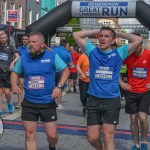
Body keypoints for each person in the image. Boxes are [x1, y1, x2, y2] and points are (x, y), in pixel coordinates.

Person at [72, 27, 142, 150]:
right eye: (101, 36)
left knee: (108, 136)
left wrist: (117, 32)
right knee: (92, 137)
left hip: (111, 100)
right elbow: (76, 35)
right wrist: (95, 31)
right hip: (93, 99)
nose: (103, 38)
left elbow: (138, 39)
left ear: (113, 40)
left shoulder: (119, 52)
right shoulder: (92, 51)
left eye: (107, 36)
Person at [11, 32, 70, 150]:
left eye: (34, 42)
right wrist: (13, 84)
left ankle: (52, 145)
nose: (30, 44)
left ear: (42, 44)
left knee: (52, 136)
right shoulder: (24, 58)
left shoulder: (52, 56)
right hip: (29, 102)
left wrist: (59, 87)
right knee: (29, 134)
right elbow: (15, 72)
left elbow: (66, 71)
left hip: (47, 102)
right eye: (29, 42)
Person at [120, 33, 150, 150]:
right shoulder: (128, 56)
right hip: (131, 91)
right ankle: (136, 144)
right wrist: (121, 83)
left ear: (140, 44)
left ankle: (144, 141)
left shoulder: (148, 55)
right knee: (133, 119)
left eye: (135, 45)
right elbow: (115, 68)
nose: (132, 48)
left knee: (143, 118)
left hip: (145, 91)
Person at [0, 31, 19, 115]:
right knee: (0, 92)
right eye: (1, 38)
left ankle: (9, 103)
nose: (3, 39)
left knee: (7, 92)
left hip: (8, 72)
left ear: (7, 38)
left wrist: (12, 62)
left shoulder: (11, 47)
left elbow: (18, 56)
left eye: (4, 38)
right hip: (0, 71)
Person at [52, 39, 73, 109]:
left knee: (51, 87)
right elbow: (71, 64)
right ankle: (58, 104)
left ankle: (51, 102)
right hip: (61, 72)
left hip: (52, 71)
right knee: (59, 87)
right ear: (65, 45)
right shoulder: (67, 52)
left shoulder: (53, 50)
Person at [15, 34, 29, 109]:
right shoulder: (19, 48)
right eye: (23, 39)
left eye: (26, 39)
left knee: (29, 86)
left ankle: (28, 101)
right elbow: (17, 58)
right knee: (20, 85)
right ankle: (19, 103)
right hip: (21, 69)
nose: (24, 41)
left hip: (30, 69)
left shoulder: (31, 48)